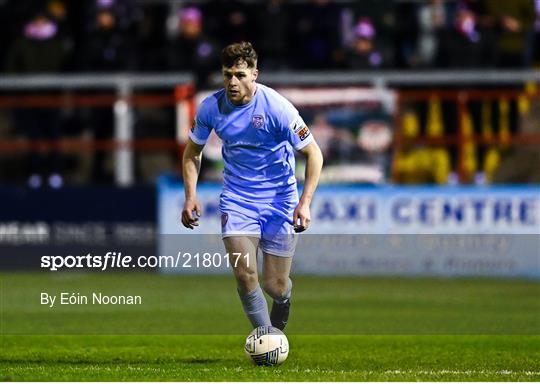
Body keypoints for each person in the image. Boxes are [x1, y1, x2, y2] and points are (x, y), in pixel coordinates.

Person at [181, 42, 323, 331]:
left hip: (279, 200)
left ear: (254, 74)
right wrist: (190, 195)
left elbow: (313, 153)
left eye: (240, 75)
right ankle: (267, 336)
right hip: (237, 199)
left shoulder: (278, 109)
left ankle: (283, 302)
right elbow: (191, 153)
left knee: (275, 285)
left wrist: (305, 202)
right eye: (227, 75)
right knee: (245, 275)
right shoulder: (211, 107)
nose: (233, 82)